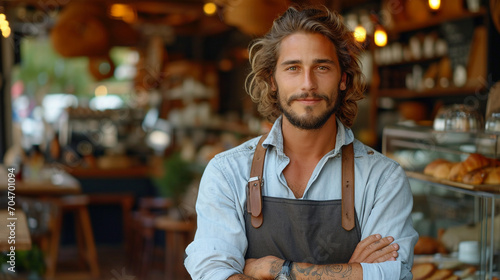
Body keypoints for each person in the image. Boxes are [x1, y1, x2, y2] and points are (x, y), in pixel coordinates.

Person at [185, 5, 418, 280]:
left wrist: (275, 269)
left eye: (322, 67)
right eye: (293, 68)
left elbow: (394, 274)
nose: (308, 84)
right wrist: (353, 272)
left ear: (343, 79)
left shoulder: (382, 179)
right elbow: (213, 273)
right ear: (272, 80)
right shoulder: (227, 171)